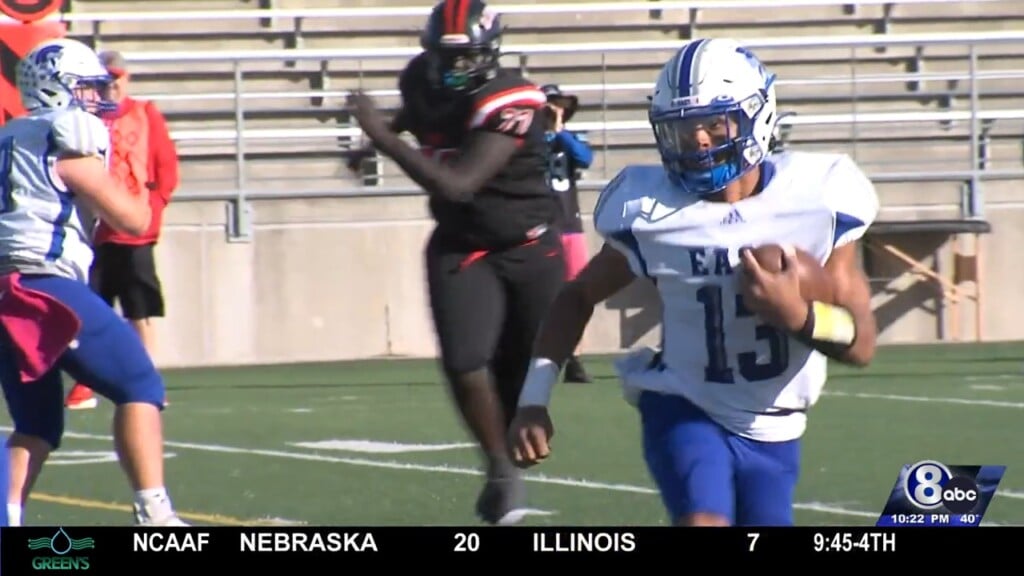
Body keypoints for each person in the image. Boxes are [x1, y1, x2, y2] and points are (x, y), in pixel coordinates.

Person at [507, 38, 879, 527]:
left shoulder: (819, 199)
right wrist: (533, 399)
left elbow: (861, 342)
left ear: (756, 118)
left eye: (713, 124)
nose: (699, 140)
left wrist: (800, 317)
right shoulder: (651, 211)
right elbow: (577, 295)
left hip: (776, 426)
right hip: (684, 403)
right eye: (683, 129)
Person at [346, 0, 564, 525]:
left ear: (490, 55)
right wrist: (384, 133)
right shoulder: (422, 78)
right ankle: (498, 469)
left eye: (463, 60)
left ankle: (509, 448)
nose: (450, 71)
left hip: (530, 246)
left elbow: (458, 184)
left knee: (519, 374)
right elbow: (417, 115)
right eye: (443, 59)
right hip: (463, 248)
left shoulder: (513, 98)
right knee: (465, 360)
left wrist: (379, 135)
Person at [0, 38, 185, 526]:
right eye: (84, 89)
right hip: (44, 284)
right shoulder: (67, 139)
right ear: (57, 89)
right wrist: (137, 185)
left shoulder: (11, 137)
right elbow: (131, 220)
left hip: (4, 287)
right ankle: (155, 513)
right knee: (140, 383)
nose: (94, 99)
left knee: (36, 424)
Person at [66, 50, 179, 411]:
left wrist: (152, 210)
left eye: (116, 77)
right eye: (105, 78)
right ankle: (85, 384)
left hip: (133, 232)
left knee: (138, 310)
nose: (111, 85)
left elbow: (166, 169)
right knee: (90, 310)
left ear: (126, 79)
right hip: (96, 231)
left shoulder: (145, 114)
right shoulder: (84, 119)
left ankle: (149, 383)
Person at [540, 84, 594, 384]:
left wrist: (559, 129)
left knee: (577, 294)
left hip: (570, 227)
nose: (551, 109)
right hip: (541, 228)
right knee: (543, 296)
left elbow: (585, 158)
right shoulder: (531, 140)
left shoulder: (570, 139)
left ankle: (575, 357)